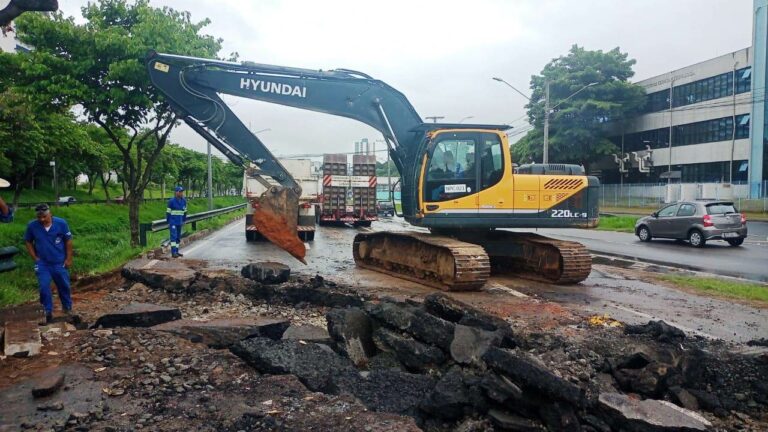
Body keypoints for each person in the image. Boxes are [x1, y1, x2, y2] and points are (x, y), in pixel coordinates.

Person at [24, 204, 73, 323]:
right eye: (39, 217)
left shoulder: (61, 223)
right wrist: (35, 258)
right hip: (43, 263)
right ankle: (47, 311)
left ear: (50, 214)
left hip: (59, 261)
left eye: (44, 217)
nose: (42, 220)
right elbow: (28, 241)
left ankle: (67, 308)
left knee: (64, 286)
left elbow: (68, 241)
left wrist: (68, 258)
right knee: (44, 287)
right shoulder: (32, 226)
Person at [166, 186, 187, 258]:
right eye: (180, 192)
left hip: (180, 222)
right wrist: (168, 222)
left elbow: (185, 212)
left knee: (178, 237)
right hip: (173, 222)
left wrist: (184, 220)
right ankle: (173, 252)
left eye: (182, 192)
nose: (181, 193)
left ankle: (177, 251)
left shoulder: (184, 201)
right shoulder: (171, 201)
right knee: (173, 237)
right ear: (176, 192)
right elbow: (168, 212)